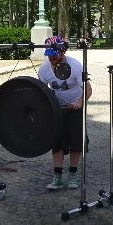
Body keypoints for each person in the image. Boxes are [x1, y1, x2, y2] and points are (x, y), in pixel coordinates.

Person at [38, 36, 92, 190]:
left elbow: (88, 89)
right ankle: (57, 177)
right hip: (57, 110)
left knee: (76, 142)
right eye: (49, 55)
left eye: (54, 55)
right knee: (56, 143)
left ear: (63, 52)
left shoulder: (75, 65)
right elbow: (41, 91)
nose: (51, 58)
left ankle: (73, 175)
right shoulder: (44, 68)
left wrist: (79, 103)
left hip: (74, 107)